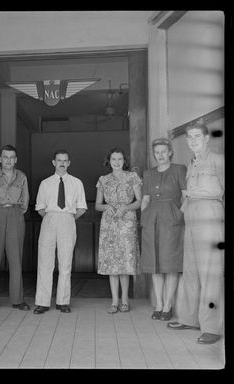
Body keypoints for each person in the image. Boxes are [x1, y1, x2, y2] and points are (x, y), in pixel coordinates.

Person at [168, 121, 224, 345]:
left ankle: (212, 326)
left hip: (210, 214)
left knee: (210, 273)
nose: (192, 141)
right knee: (190, 270)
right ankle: (190, 318)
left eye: (197, 137)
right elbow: (189, 194)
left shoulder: (217, 159)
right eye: (189, 137)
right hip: (191, 215)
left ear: (206, 138)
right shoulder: (192, 162)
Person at [33, 149, 87, 314]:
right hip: (49, 219)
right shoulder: (45, 183)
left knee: (65, 262)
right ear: (54, 162)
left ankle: (63, 301)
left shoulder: (77, 183)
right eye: (59, 160)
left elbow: (82, 208)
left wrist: (67, 219)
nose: (62, 163)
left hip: (68, 219)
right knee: (45, 261)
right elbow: (40, 207)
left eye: (65, 161)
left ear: (69, 163)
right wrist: (52, 217)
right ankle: (42, 302)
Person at [140, 138, 187, 321]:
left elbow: (186, 197)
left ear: (170, 152)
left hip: (172, 221)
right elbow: (144, 198)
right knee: (155, 265)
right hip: (151, 221)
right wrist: (145, 215)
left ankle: (168, 306)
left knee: (171, 264)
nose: (160, 155)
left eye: (163, 151)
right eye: (156, 152)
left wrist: (178, 215)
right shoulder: (148, 173)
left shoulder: (179, 169)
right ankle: (158, 304)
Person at [0, 145, 30, 313]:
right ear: (0, 159)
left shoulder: (21, 177)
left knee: (16, 259)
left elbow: (25, 203)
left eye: (12, 157)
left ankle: (18, 300)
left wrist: (13, 211)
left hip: (16, 214)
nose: (8, 160)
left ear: (15, 160)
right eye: (5, 157)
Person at [95, 148, 141, 314]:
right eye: (113, 159)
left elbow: (139, 201)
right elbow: (97, 205)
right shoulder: (103, 180)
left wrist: (126, 208)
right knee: (112, 264)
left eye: (119, 159)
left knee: (125, 262)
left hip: (127, 222)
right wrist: (107, 206)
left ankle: (125, 300)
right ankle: (114, 301)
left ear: (124, 160)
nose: (116, 162)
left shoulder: (132, 177)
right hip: (109, 224)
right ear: (109, 160)